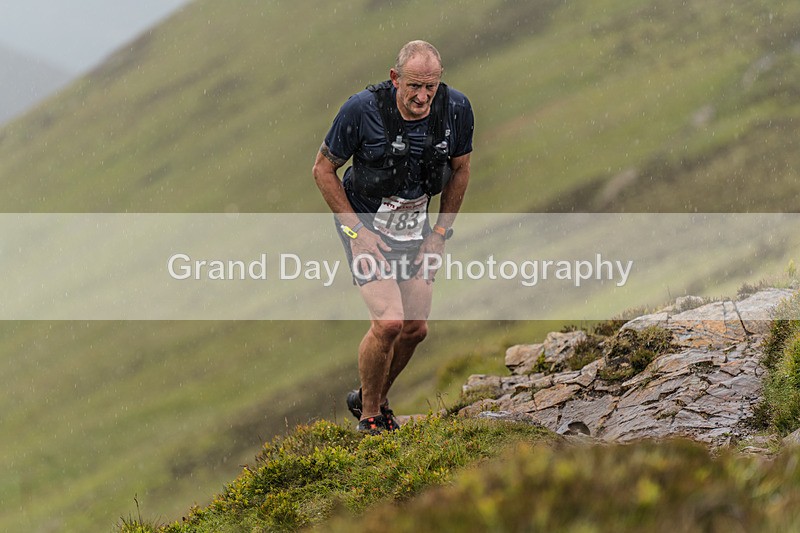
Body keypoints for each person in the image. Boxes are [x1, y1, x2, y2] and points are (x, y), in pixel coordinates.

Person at [312, 40, 474, 434]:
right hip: (365, 225)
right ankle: (370, 418)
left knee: (415, 329)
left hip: (416, 229)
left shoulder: (456, 109)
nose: (422, 97)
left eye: (430, 87)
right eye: (414, 86)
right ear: (395, 78)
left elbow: (461, 170)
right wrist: (356, 232)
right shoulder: (361, 110)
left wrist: (439, 233)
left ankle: (371, 397)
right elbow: (322, 170)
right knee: (388, 323)